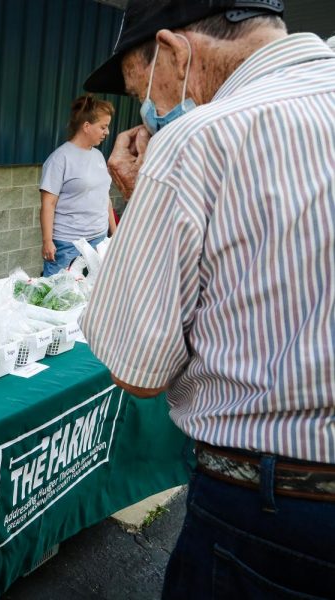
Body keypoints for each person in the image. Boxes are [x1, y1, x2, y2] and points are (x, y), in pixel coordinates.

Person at [79, 1, 335, 598]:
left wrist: (143, 198)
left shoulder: (200, 138)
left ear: (173, 51)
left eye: (141, 88)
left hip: (274, 515)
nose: (149, 109)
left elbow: (137, 364)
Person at [39, 95, 117, 276]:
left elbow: (105, 198)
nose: (107, 132)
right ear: (86, 126)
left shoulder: (98, 156)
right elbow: (48, 204)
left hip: (99, 239)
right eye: (103, 127)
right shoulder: (60, 158)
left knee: (92, 296)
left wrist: (115, 233)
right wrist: (47, 240)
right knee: (59, 298)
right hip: (68, 244)